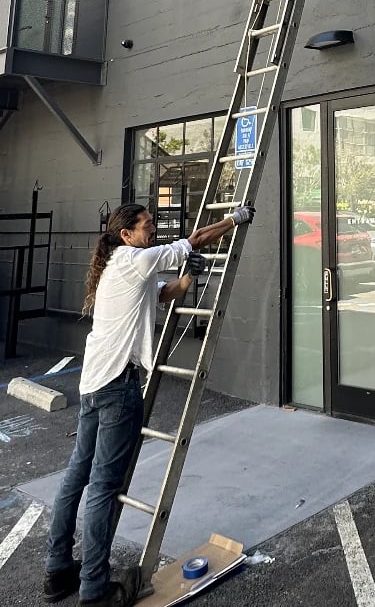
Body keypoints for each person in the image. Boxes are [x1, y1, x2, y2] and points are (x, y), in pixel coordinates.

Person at [43, 202, 255, 607]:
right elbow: (193, 238)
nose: (153, 229)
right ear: (126, 234)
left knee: (77, 475)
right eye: (146, 225)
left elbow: (169, 292)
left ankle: (57, 571)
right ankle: (94, 591)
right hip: (117, 386)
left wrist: (191, 271)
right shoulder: (134, 258)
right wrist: (234, 220)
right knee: (104, 486)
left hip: (93, 382)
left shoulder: (121, 268)